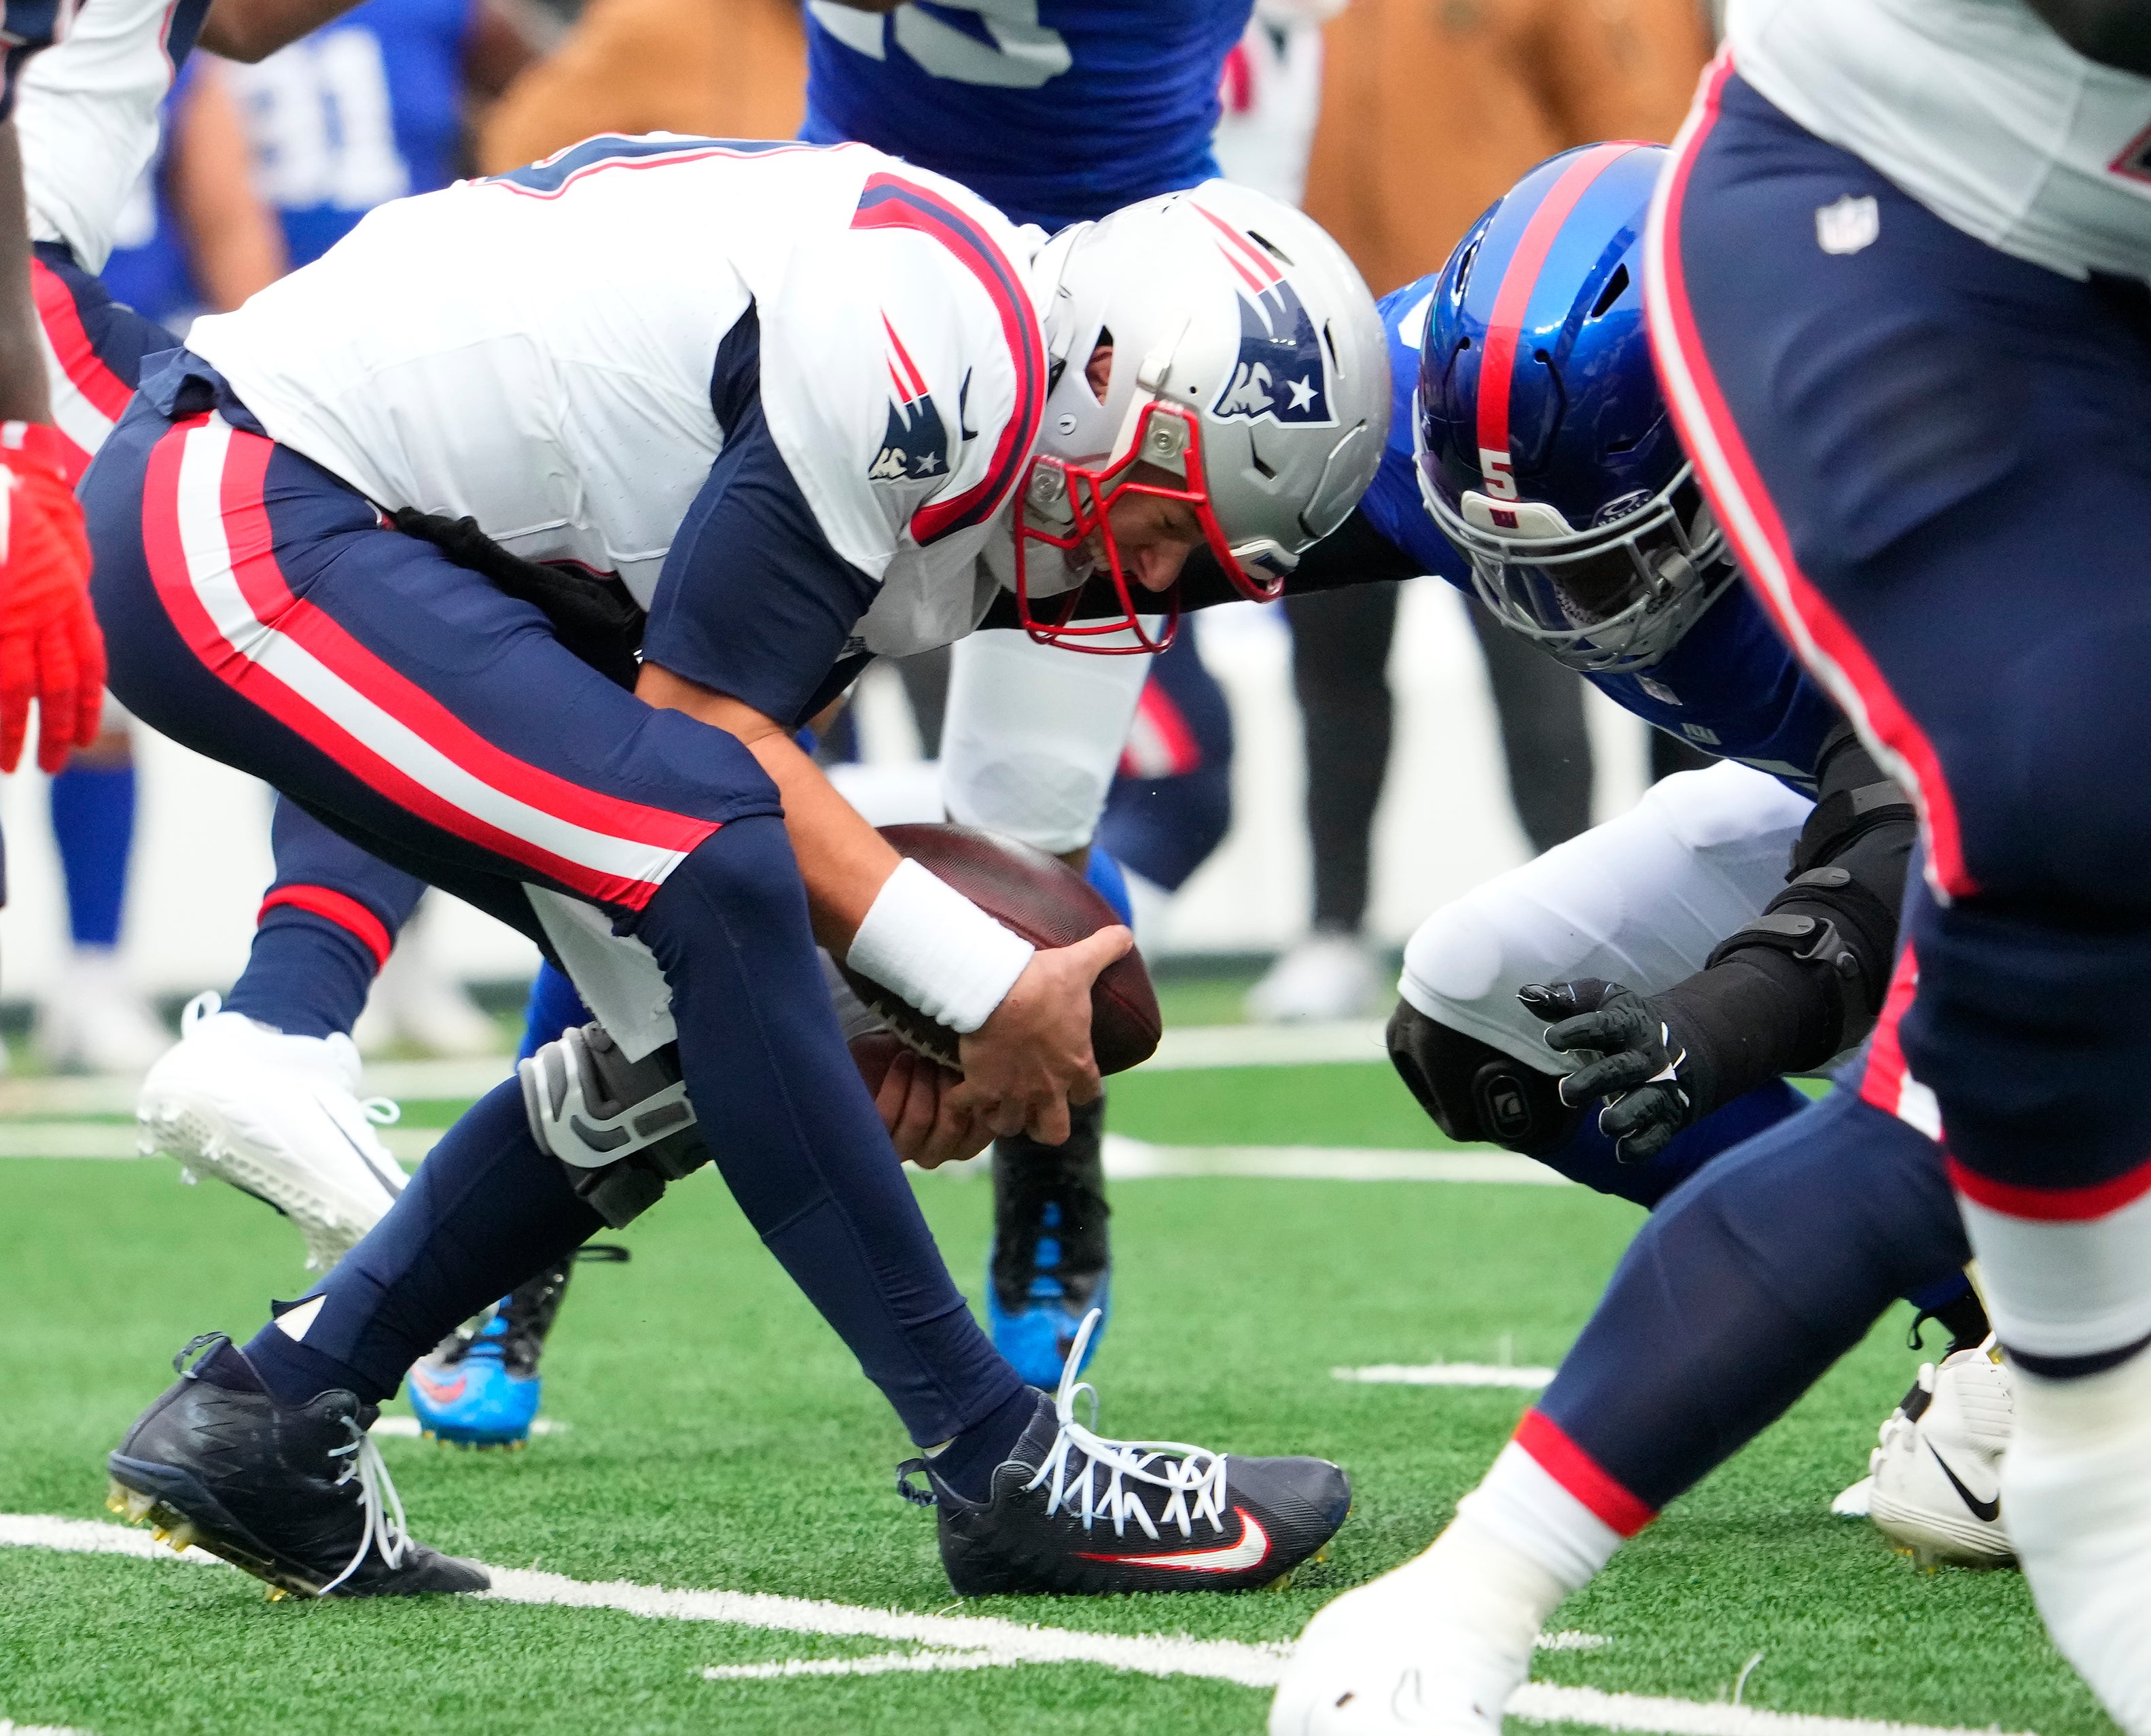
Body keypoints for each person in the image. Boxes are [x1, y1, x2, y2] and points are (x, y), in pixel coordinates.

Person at [90, 154, 1383, 1599]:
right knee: (721, 863)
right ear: (1104, 372)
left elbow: (724, 767)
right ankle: (996, 1460)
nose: (1140, 580)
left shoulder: (987, 392)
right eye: (1152, 520)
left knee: (711, 1017)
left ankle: (276, 1412)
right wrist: (974, 983)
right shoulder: (939, 330)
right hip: (247, 505)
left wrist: (876, 1005)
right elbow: (712, 734)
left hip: (371, 544)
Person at [1263, 35, 2151, 1712]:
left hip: (1928, 766)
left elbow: (1915, 822)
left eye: (1632, 561)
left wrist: (1726, 1017)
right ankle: (1999, 1310)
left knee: (2032, 905)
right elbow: (1154, 520)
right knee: (1476, 1000)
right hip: (1904, 756)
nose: (1590, 622)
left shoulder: (1856, 398)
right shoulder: (1508, 406)